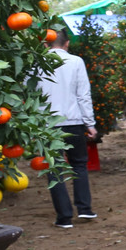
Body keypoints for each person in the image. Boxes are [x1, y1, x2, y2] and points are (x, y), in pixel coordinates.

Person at [37, 25, 97, 229]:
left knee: (54, 170)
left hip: (47, 125)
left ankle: (64, 217)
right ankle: (84, 208)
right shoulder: (76, 61)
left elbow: (29, 92)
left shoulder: (36, 63)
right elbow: (83, 95)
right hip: (73, 121)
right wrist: (90, 124)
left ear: (45, 44)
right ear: (67, 43)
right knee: (79, 164)